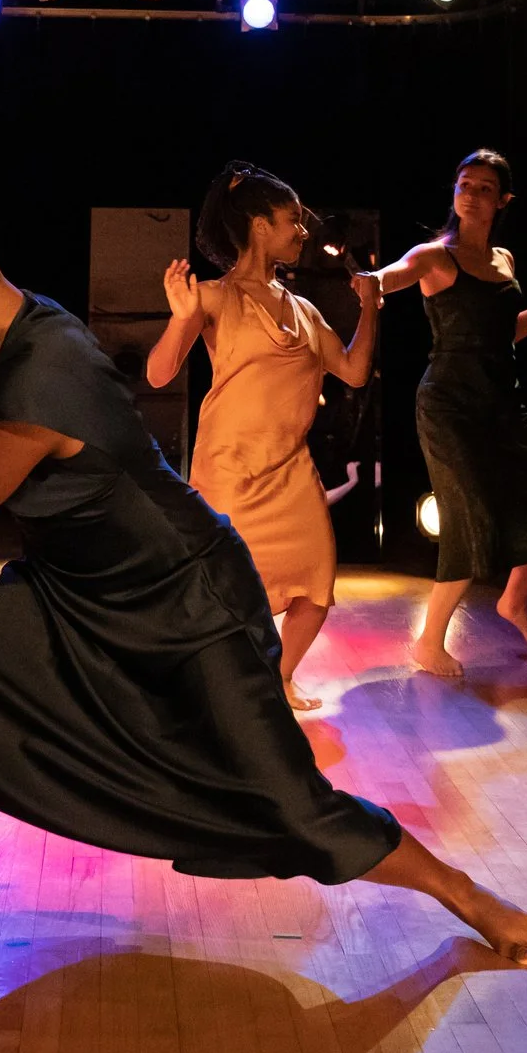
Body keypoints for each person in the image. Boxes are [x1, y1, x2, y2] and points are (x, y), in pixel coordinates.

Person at [0, 193, 527, 966]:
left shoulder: (32, 381)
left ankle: (465, 892)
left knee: (291, 807)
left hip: (187, 597)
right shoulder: (36, 324)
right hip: (75, 589)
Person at [144, 164, 377, 712]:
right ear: (257, 225)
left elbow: (353, 371)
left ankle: (276, 679)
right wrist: (181, 318)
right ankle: (190, 687)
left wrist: (370, 310)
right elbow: (157, 373)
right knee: (219, 592)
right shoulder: (212, 297)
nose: (303, 231)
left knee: (316, 585)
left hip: (289, 472)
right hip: (228, 471)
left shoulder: (303, 310)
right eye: (292, 220)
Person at [375, 149, 527, 677]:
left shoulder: (504, 261)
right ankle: (429, 642)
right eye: (464, 184)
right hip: (447, 403)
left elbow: (507, 331)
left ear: (501, 201)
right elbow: (395, 274)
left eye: (484, 187)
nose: (471, 193)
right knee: (469, 517)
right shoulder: (433, 256)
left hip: (501, 402)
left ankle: (513, 604)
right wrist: (373, 283)